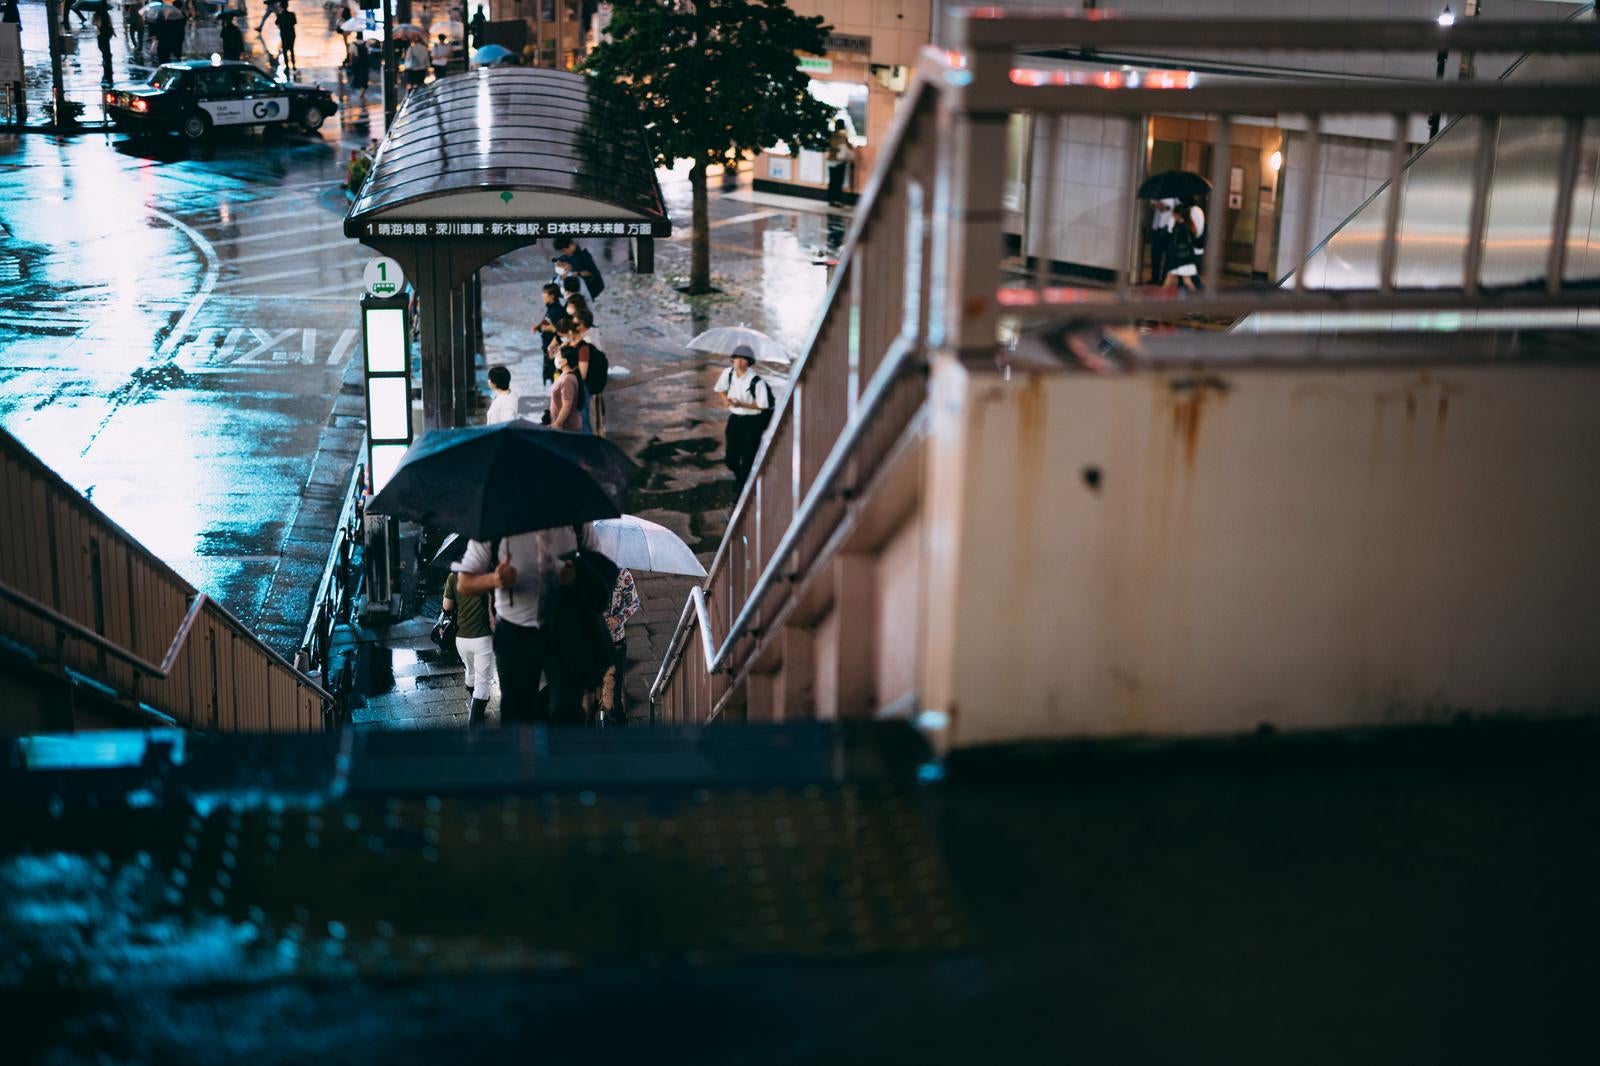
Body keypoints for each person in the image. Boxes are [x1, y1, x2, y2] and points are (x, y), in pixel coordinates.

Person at [452, 525, 595, 725]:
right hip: (515, 633)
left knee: (567, 712)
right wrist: (494, 579)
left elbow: (600, 567)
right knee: (517, 717)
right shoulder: (495, 523)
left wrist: (578, 576)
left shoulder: (577, 520)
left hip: (565, 629)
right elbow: (464, 583)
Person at [714, 345, 775, 491]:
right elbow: (720, 389)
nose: (739, 362)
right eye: (736, 358)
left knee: (748, 456)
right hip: (736, 418)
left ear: (749, 362)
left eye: (743, 359)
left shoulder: (756, 381)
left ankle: (743, 486)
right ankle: (741, 477)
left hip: (753, 421)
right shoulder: (728, 374)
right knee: (731, 458)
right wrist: (725, 400)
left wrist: (743, 404)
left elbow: (763, 406)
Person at [442, 570, 495, 725]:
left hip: (461, 638)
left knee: (470, 671)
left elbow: (447, 606)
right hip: (483, 637)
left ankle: (474, 701)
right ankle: (475, 725)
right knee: (483, 681)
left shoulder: (453, 576)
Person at [595, 567, 639, 725]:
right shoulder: (587, 571)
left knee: (612, 697)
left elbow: (634, 602)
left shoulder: (622, 574)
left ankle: (618, 733)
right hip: (592, 642)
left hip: (615, 642)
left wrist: (618, 619)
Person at [1163, 196, 1207, 291]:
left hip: (1181, 256)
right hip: (1189, 254)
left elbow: (1174, 238)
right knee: (1187, 280)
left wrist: (1171, 225)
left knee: (1182, 280)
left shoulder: (1182, 226)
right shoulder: (1194, 216)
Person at [552, 235, 604, 299]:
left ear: (570, 245)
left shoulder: (583, 254)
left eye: (564, 250)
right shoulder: (564, 258)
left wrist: (576, 273)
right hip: (572, 291)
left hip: (588, 288)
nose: (564, 253)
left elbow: (592, 272)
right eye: (562, 251)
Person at [548, 345, 583, 431]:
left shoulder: (567, 380)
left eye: (558, 355)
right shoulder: (565, 375)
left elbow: (567, 405)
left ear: (564, 361)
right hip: (564, 426)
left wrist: (558, 423)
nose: (556, 357)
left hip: (567, 427)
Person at [825, 117, 855, 208]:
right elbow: (848, 146)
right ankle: (837, 200)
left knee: (832, 180)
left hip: (831, 160)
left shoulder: (832, 134)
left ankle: (831, 199)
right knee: (838, 181)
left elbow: (830, 146)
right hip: (840, 161)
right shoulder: (843, 135)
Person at [1148, 198, 1176, 286]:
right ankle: (1155, 277)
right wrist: (1157, 204)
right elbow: (1152, 201)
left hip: (1170, 228)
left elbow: (1180, 207)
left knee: (1169, 255)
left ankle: (1165, 278)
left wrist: (1168, 207)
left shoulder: (1177, 195)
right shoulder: (1160, 190)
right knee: (1155, 253)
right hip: (1157, 227)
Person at [275, 1, 297, 71]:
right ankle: (293, 64)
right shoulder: (291, 14)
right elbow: (294, 22)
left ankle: (287, 65)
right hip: (291, 34)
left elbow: (276, 22)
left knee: (285, 50)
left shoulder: (280, 15)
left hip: (284, 34)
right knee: (291, 49)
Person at [347, 34, 370, 102]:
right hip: (365, 63)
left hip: (356, 62)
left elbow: (351, 54)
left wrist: (350, 62)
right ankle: (363, 89)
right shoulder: (366, 43)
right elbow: (368, 52)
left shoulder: (353, 44)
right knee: (364, 76)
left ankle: (359, 88)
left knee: (357, 75)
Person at [95, 8, 115, 83]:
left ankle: (106, 57)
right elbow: (94, 23)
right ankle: (107, 56)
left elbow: (110, 23)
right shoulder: (97, 16)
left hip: (103, 33)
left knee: (102, 46)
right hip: (101, 33)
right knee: (101, 47)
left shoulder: (105, 15)